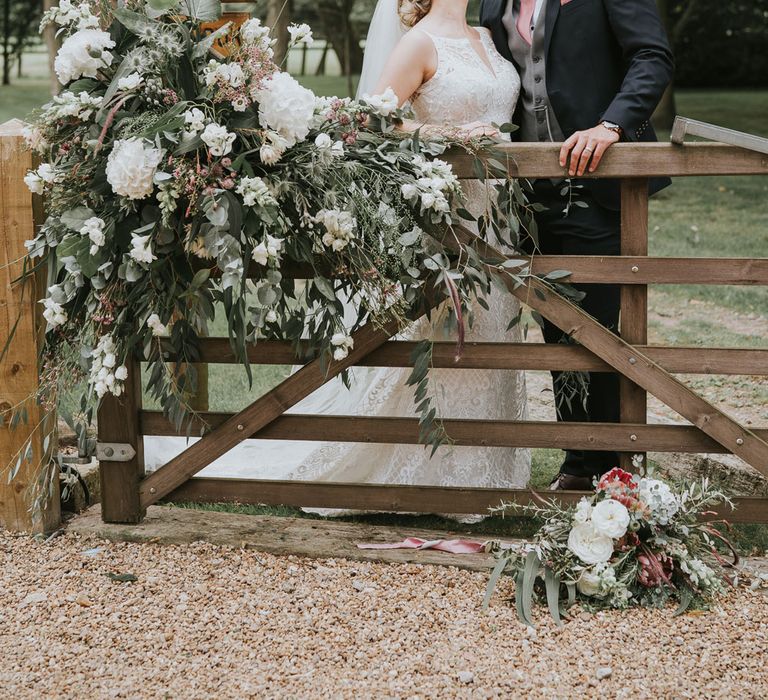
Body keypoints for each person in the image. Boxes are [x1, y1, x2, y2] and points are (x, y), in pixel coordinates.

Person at [144, 0, 531, 519]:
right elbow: (370, 127)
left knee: (485, 334)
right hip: (442, 217)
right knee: (437, 338)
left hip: (495, 219)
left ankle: (478, 473)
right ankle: (424, 471)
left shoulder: (487, 38)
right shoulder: (417, 44)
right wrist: (453, 138)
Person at [479, 0, 674, 490]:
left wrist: (612, 125)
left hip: (602, 183)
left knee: (604, 326)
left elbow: (652, 55)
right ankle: (578, 461)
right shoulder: (491, 3)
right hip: (530, 190)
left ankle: (617, 468)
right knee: (556, 325)